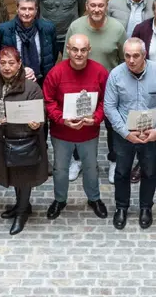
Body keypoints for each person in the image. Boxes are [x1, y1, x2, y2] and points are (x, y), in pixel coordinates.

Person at [103, 38, 156, 230]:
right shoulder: (116, 75)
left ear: (144, 55)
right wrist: (126, 133)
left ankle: (146, 208)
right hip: (124, 134)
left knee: (149, 172)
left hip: (150, 134)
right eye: (127, 55)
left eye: (136, 55)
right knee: (121, 172)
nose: (131, 60)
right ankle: (121, 207)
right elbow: (109, 107)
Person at [0, 47, 48, 235]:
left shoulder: (31, 87)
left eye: (11, 63)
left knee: (24, 177)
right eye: (3, 63)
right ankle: (21, 205)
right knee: (12, 175)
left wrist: (36, 125)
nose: (7, 67)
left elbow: (41, 115)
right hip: (1, 137)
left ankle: (21, 213)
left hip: (23, 139)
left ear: (19, 65)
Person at [43, 34, 109, 221]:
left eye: (83, 50)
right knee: (60, 168)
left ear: (89, 50)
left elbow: (107, 100)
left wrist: (96, 118)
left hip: (88, 132)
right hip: (62, 132)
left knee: (90, 167)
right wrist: (61, 119)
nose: (79, 54)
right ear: (68, 50)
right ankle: (60, 199)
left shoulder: (100, 72)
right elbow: (48, 101)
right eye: (74, 50)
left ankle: (94, 198)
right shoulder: (56, 73)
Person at [64, 0, 126, 182]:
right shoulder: (76, 26)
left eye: (101, 5)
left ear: (106, 7)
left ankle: (114, 161)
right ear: (86, 7)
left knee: (113, 126)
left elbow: (125, 59)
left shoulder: (117, 28)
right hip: (81, 87)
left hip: (110, 87)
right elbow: (67, 58)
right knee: (78, 125)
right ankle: (77, 160)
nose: (97, 9)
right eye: (93, 5)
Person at [0, 0, 57, 85]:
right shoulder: (4, 30)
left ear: (36, 10)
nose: (27, 13)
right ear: (17, 9)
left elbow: (53, 54)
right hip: (13, 81)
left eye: (31, 9)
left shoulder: (48, 29)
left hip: (42, 81)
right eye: (23, 9)